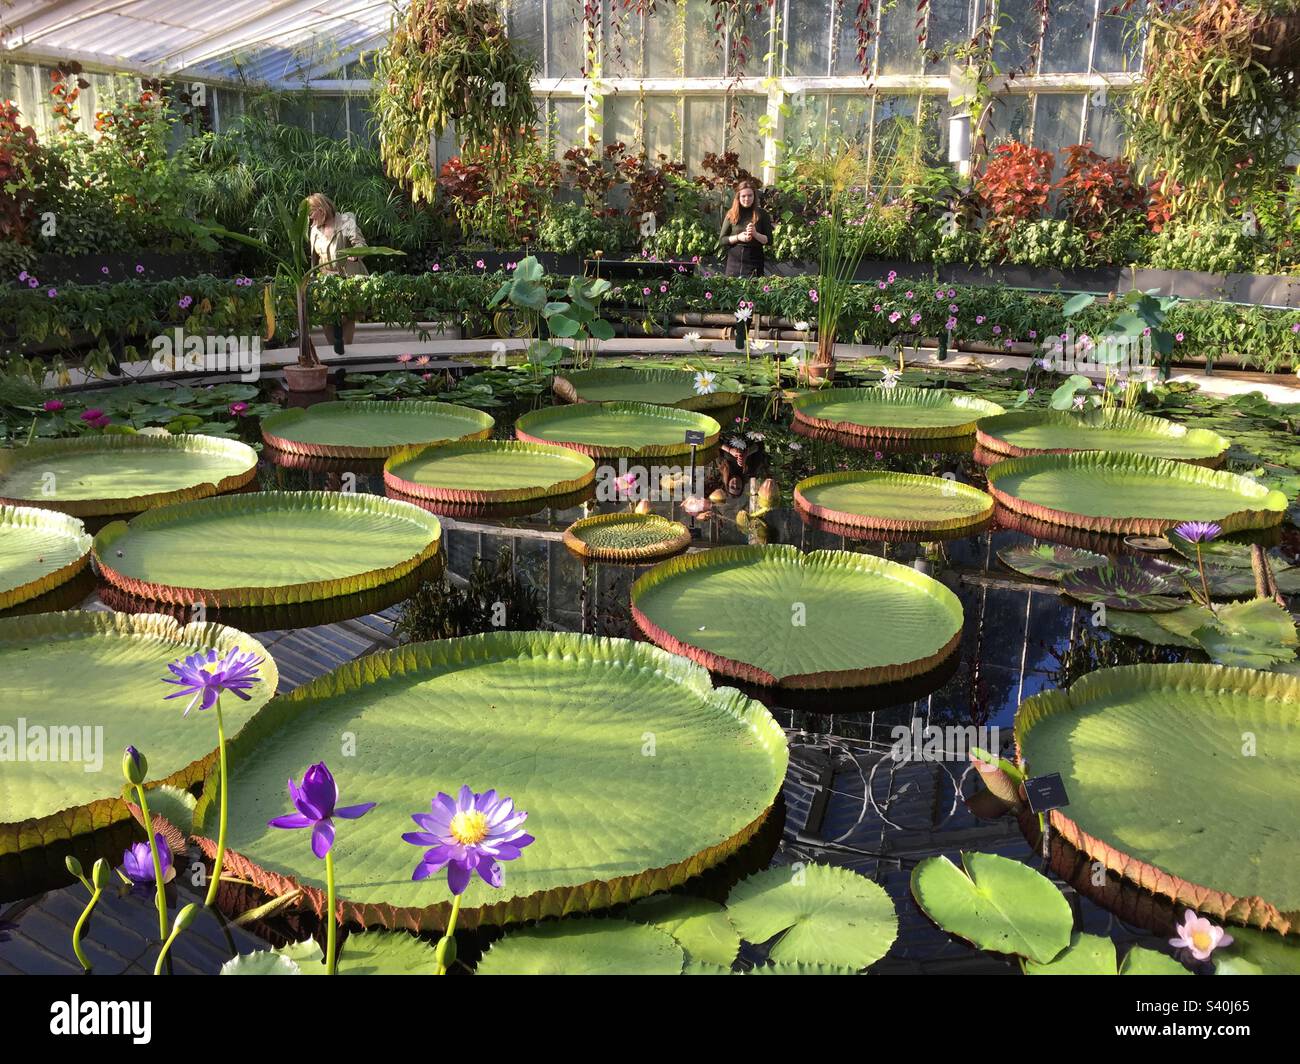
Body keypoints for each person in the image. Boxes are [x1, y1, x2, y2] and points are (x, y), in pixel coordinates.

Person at [307, 192, 368, 351]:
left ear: (322, 209)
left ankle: (346, 352)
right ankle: (332, 351)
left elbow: (361, 244)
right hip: (325, 280)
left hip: (347, 278)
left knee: (347, 316)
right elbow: (313, 257)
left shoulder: (346, 222)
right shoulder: (314, 229)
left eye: (311, 212)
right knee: (327, 316)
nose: (310, 217)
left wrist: (355, 254)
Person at [717, 179, 773, 277]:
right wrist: (738, 237)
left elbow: (769, 240)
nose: (747, 199)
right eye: (743, 196)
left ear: (754, 196)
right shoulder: (731, 214)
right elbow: (722, 240)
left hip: (755, 262)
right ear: (738, 197)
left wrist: (755, 234)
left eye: (750, 195)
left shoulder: (762, 214)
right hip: (734, 264)